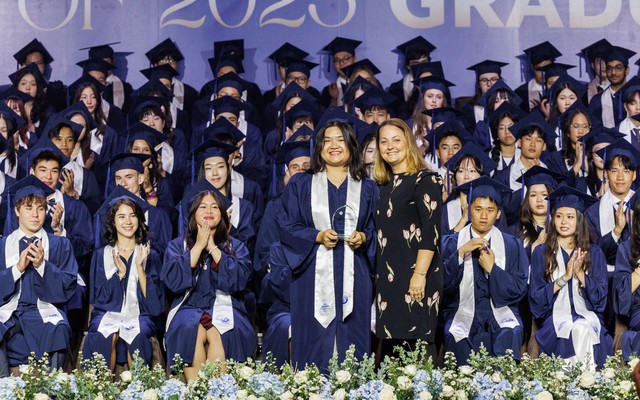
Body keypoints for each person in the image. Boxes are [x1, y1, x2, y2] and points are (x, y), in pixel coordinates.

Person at [276, 113, 378, 371]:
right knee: (314, 343)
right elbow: (285, 225)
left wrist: (364, 237)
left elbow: (377, 229)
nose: (334, 145)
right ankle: (310, 386)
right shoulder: (301, 184)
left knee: (352, 341)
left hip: (355, 273)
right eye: (327, 140)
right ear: (319, 147)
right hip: (311, 275)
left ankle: (355, 387)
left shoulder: (367, 188)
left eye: (340, 140)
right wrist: (316, 236)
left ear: (351, 145)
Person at [162, 181, 255, 380]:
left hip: (227, 306)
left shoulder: (237, 246)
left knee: (222, 330)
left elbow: (239, 281)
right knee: (189, 329)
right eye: (202, 207)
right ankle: (194, 390)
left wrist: (212, 247)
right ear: (193, 214)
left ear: (222, 214)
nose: (209, 211)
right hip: (187, 307)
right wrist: (198, 246)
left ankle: (219, 390)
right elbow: (172, 282)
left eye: (214, 207)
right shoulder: (177, 246)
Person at [371, 118, 442, 361]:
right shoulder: (382, 185)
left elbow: (431, 234)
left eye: (396, 140)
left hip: (417, 275)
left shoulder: (425, 180)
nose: (390, 146)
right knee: (391, 346)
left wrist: (419, 275)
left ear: (408, 143)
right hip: (388, 278)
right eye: (384, 142)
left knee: (418, 345)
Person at [441, 176, 528, 364]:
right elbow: (442, 285)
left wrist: (493, 269)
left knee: (511, 331)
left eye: (490, 210)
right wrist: (460, 253)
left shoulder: (512, 245)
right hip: (461, 309)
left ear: (498, 214)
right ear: (468, 210)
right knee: (454, 334)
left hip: (501, 310)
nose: (483, 216)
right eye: (478, 209)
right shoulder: (452, 243)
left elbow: (519, 288)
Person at [0, 176, 77, 372]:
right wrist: (17, 269)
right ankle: (3, 384)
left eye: (41, 209)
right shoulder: (2, 245)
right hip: (10, 312)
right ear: (17, 211)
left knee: (59, 328)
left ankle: (53, 384)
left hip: (43, 310)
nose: (35, 214)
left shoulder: (60, 244)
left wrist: (43, 265)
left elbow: (68, 287)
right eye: (28, 208)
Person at [529, 186, 611, 370]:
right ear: (552, 219)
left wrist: (580, 274)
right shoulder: (541, 253)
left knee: (584, 327)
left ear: (579, 220)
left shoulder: (594, 253)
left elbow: (600, 301)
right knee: (573, 329)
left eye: (570, 217)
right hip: (553, 317)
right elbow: (536, 300)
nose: (564, 221)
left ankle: (584, 381)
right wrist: (565, 277)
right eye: (559, 216)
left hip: (587, 314)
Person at [83, 194, 163, 370]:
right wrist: (119, 274)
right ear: (113, 222)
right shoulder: (101, 255)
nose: (128, 221)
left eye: (132, 215)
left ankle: (138, 385)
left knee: (139, 334)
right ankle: (100, 386)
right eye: (121, 216)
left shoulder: (150, 255)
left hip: (140, 315)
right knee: (102, 333)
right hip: (106, 313)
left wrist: (140, 268)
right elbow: (98, 300)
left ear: (139, 220)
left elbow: (155, 306)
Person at [145, 38, 198, 117]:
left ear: (177, 65)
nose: (168, 64)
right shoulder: (145, 91)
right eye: (163, 61)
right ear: (155, 64)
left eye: (172, 60)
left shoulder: (189, 93)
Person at [387, 36, 436, 120]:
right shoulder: (395, 89)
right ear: (408, 66)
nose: (420, 66)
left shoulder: (439, 86)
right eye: (415, 63)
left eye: (424, 62)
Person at [589, 46, 636, 128]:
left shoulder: (637, 97)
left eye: (618, 68)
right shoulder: (597, 101)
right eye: (609, 68)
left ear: (627, 70)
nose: (613, 72)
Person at [460, 60, 508, 131]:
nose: (489, 84)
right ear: (479, 84)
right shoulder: (468, 110)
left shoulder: (509, 104)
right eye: (484, 80)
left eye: (494, 79)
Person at [514, 41, 561, 112]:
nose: (543, 73)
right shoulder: (521, 93)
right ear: (532, 68)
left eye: (547, 68)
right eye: (539, 69)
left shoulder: (561, 87)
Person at [320, 37, 362, 108]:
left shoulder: (367, 82)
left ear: (355, 60)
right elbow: (323, 113)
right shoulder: (329, 90)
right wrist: (334, 100)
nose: (341, 63)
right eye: (337, 60)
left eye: (346, 58)